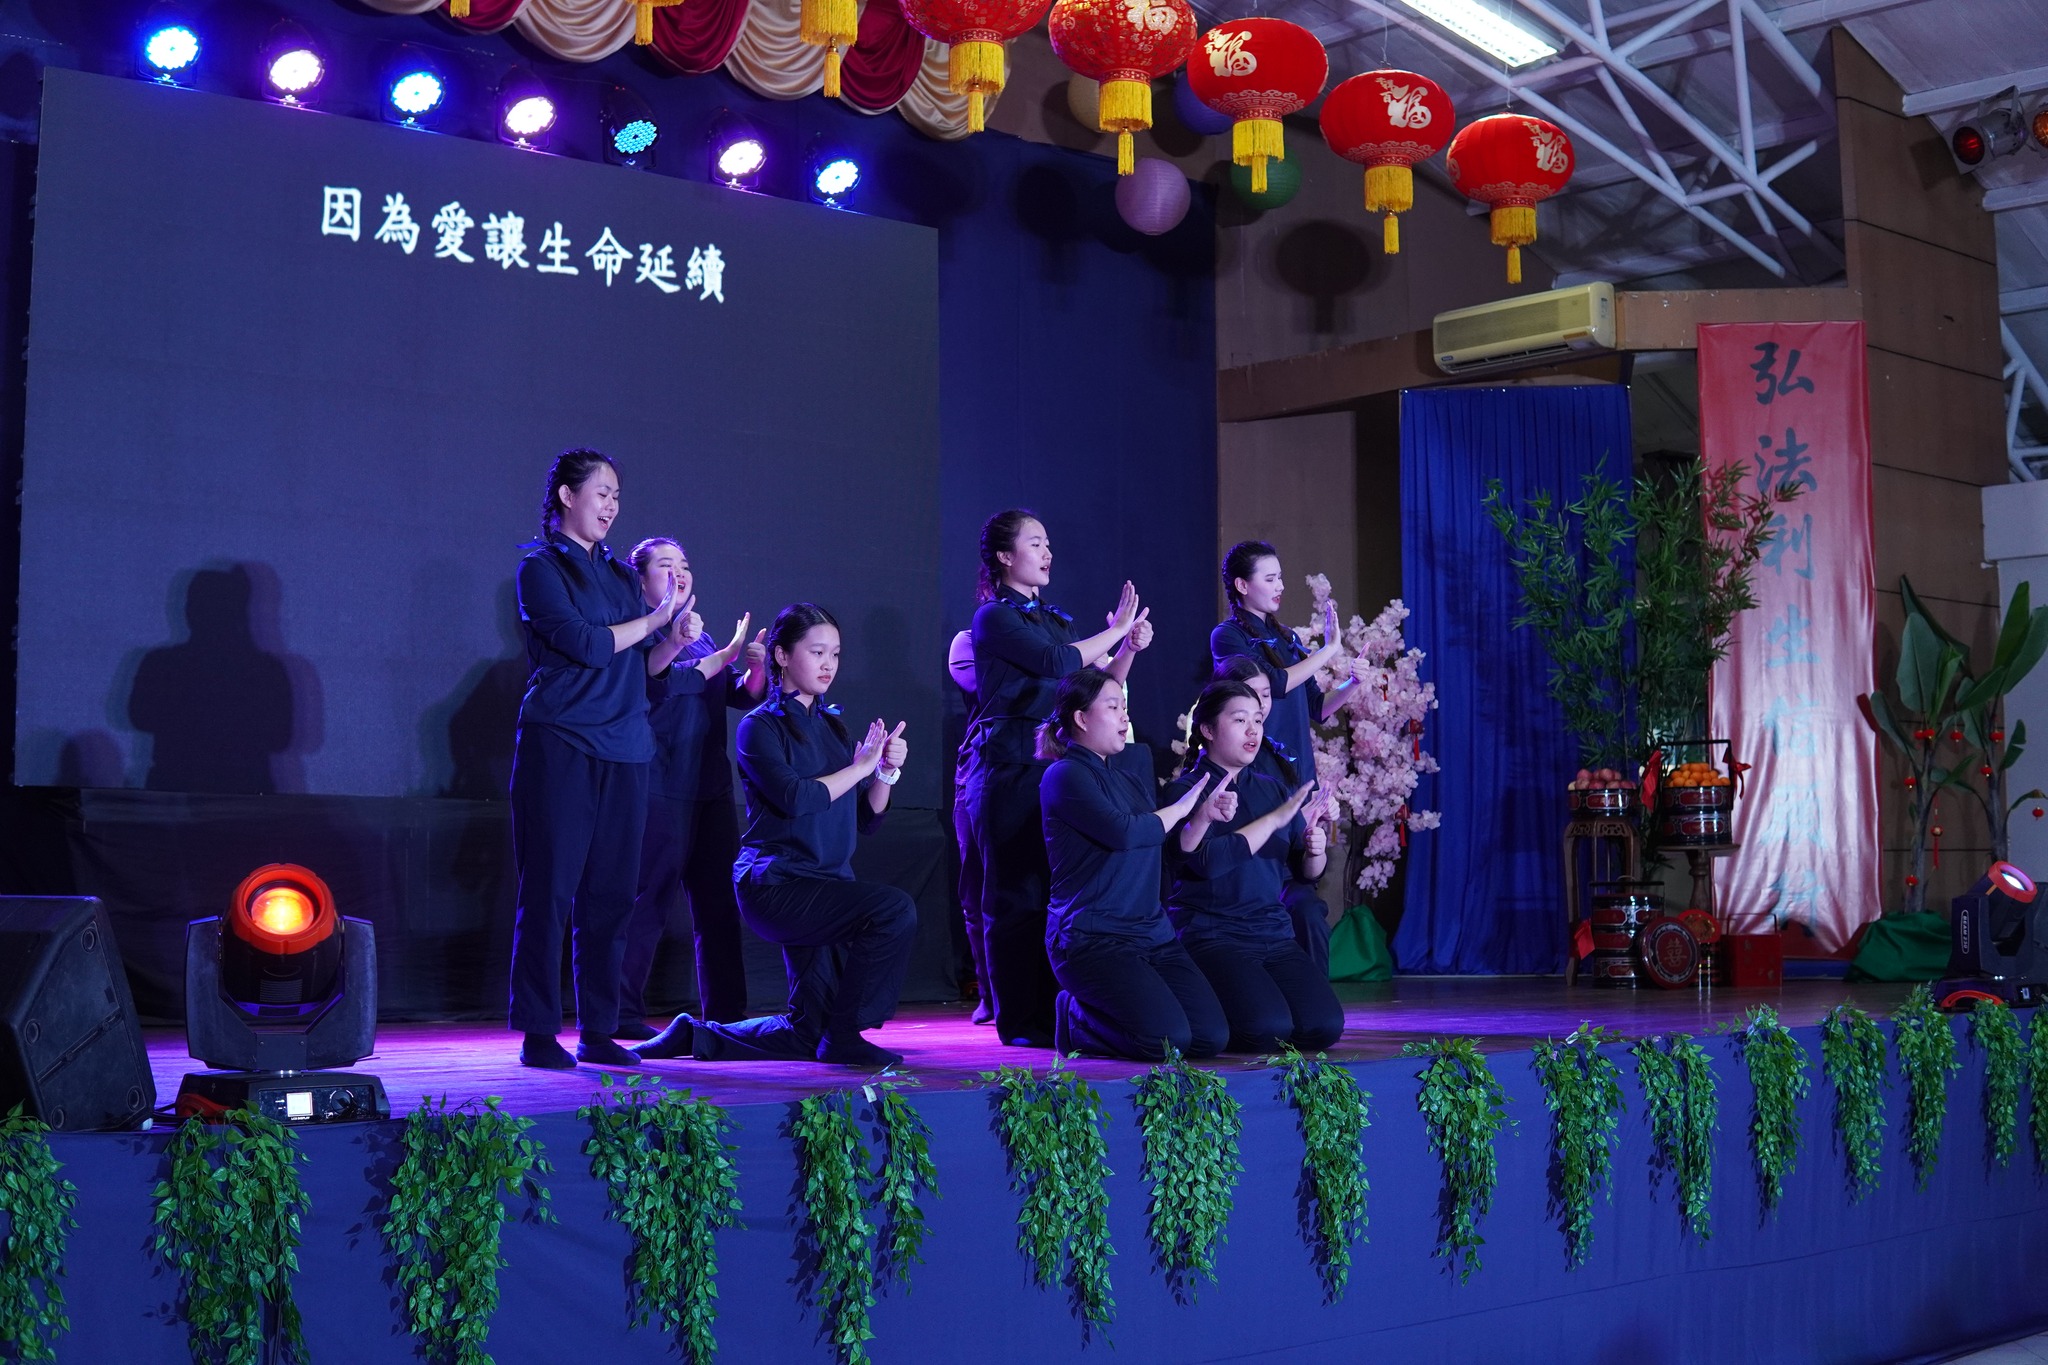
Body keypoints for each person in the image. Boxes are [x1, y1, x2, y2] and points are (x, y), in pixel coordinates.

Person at [635, 603, 917, 1068]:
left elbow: (865, 820)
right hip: (778, 885)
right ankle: (846, 1035)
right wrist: (858, 767)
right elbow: (797, 799)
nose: (829, 664)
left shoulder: (833, 727)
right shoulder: (759, 727)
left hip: (825, 885)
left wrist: (885, 772)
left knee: (807, 1030)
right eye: (817, 652)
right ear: (782, 656)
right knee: (893, 910)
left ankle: (698, 1035)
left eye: (836, 654)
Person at [509, 449, 698, 1070]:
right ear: (567, 496)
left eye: (618, 496)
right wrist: (656, 617)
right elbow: (586, 646)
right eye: (602, 493)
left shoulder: (621, 576)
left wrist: (670, 637)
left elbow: (640, 672)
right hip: (561, 741)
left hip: (626, 748)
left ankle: (598, 1026)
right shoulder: (541, 568)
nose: (612, 506)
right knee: (551, 888)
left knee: (613, 894)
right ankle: (540, 1031)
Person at [960, 509, 1153, 1047]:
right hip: (1008, 769)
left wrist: (1128, 649)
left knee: (1058, 890)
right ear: (1004, 556)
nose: (1047, 553)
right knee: (1014, 893)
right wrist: (1113, 629)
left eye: (1048, 543)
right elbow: (1052, 662)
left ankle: (1062, 1013)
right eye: (1035, 543)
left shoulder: (1058, 619)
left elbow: (1095, 687)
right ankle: (1021, 1022)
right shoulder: (994, 618)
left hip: (1057, 768)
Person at [616, 538, 768, 1038]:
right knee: (648, 899)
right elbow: (654, 677)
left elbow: (737, 695)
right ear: (642, 580)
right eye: (665, 566)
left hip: (710, 788)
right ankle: (621, 1013)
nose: (679, 573)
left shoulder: (697, 635)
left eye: (685, 565)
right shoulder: (637, 630)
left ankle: (727, 1014)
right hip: (661, 785)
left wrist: (756, 665)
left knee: (719, 903)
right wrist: (685, 642)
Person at [1039, 667, 1227, 1062]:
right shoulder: (1064, 776)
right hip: (1093, 939)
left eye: (1125, 706)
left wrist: (1203, 817)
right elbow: (1124, 833)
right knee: (1166, 1042)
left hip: (1150, 935)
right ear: (1081, 717)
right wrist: (1179, 808)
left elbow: (1162, 853)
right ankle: (1073, 1017)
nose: (1126, 716)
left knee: (1211, 1036)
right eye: (1113, 707)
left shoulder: (1131, 781)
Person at [1164, 680, 1345, 1052]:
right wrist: (1273, 821)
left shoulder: (1272, 789)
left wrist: (1315, 851)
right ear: (1208, 729)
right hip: (1214, 935)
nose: (1253, 731)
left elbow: (1305, 874)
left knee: (1324, 1026)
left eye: (1258, 721)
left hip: (1272, 934)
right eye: (1240, 720)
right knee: (1266, 1029)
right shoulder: (1184, 793)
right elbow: (1204, 864)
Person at [1212, 655, 1339, 971]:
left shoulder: (1282, 756)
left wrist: (1314, 827)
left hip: (1281, 874)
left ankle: (1313, 1000)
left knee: (1307, 909)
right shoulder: (1210, 767)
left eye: (1266, 697)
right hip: (1235, 881)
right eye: (1249, 698)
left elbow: (1305, 861)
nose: (1260, 707)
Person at [1210, 541, 1364, 795]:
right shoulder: (1227, 636)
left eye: (1279, 578)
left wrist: (1353, 683)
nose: (1280, 586)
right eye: (1270, 579)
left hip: (1300, 766)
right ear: (1242, 585)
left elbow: (1318, 707)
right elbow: (1275, 683)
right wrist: (1327, 650)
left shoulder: (1289, 638)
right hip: (1259, 767)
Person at [946, 629, 993, 1024]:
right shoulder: (967, 642)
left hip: (1037, 772)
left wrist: (1124, 645)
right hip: (979, 775)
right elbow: (997, 688)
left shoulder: (1052, 636)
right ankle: (991, 993)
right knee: (977, 891)